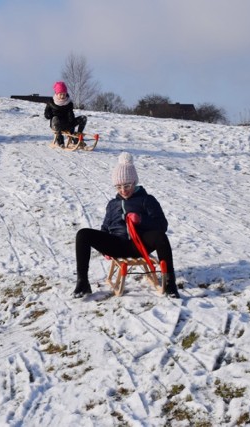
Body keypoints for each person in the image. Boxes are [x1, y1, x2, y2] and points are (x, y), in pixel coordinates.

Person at [74, 152, 181, 299]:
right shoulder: (112, 204)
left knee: (159, 235)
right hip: (117, 244)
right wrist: (104, 247)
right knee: (83, 234)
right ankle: (82, 282)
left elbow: (162, 225)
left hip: (140, 244)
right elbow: (105, 228)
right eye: (118, 186)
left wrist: (141, 220)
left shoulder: (147, 200)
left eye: (127, 185)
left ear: (134, 182)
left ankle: (170, 282)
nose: (123, 190)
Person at [44, 81, 87, 147]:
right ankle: (60, 140)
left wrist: (71, 120)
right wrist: (49, 114)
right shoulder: (51, 102)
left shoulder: (68, 103)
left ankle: (78, 136)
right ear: (56, 93)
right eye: (60, 94)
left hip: (67, 124)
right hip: (56, 125)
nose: (62, 96)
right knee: (55, 118)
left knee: (83, 118)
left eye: (64, 94)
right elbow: (46, 114)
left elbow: (71, 114)